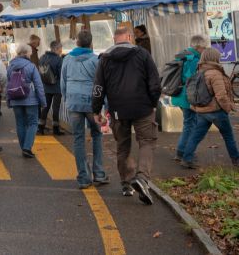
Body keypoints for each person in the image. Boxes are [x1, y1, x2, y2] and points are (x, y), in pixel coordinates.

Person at [92, 27, 160, 205]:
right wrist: (153, 103)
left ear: (114, 39)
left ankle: (127, 183)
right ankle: (142, 178)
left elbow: (98, 87)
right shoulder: (143, 54)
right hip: (143, 107)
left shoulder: (105, 58)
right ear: (129, 37)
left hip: (117, 110)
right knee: (147, 142)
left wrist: (96, 110)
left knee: (123, 146)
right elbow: (154, 82)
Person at [181, 48, 239, 169]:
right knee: (228, 137)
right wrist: (227, 108)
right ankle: (238, 163)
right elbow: (221, 96)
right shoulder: (215, 73)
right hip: (216, 112)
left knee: (195, 136)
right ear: (215, 58)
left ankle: (186, 158)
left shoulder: (199, 71)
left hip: (202, 111)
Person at [61, 30, 109, 189]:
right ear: (91, 43)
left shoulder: (67, 59)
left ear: (77, 42)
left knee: (78, 138)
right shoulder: (96, 60)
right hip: (91, 104)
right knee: (96, 135)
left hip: (73, 103)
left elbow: (63, 83)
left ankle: (83, 177)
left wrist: (67, 98)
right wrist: (105, 105)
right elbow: (102, 84)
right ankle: (99, 173)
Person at [171, 35, 207, 163]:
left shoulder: (183, 55)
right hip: (188, 97)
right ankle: (183, 152)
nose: (205, 49)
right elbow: (190, 79)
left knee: (189, 124)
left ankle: (182, 151)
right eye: (204, 47)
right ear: (198, 47)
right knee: (191, 125)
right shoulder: (193, 59)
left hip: (180, 95)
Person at [7, 44, 46, 158]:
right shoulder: (31, 66)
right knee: (33, 123)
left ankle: (24, 146)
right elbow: (39, 85)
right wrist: (43, 101)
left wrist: (9, 100)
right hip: (30, 99)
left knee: (20, 123)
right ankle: (27, 147)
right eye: (30, 53)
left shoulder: (10, 66)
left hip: (15, 98)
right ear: (27, 53)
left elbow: (8, 85)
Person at [38, 41, 64, 136]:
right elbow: (61, 74)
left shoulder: (42, 57)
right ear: (56, 49)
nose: (61, 51)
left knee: (45, 107)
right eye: (60, 49)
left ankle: (41, 127)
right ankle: (56, 129)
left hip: (46, 86)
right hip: (57, 87)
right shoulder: (58, 59)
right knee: (55, 108)